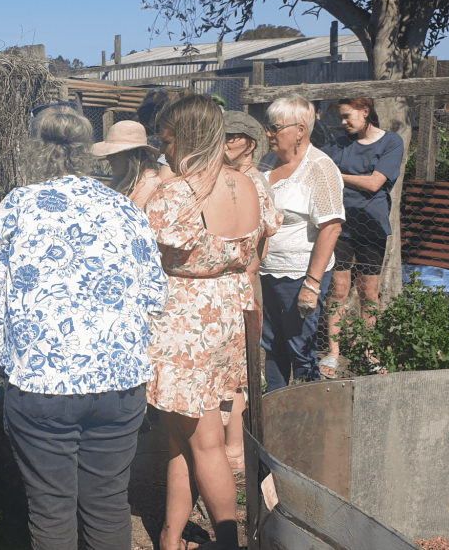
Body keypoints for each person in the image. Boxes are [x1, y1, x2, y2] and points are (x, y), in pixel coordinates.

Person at [0, 105, 169, 550]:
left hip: (42, 385)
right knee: (108, 502)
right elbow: (157, 295)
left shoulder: (18, 206)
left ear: (34, 150)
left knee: (51, 508)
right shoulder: (124, 209)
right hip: (119, 383)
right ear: (89, 153)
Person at [144, 95, 282, 550]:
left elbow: (146, 254)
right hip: (231, 313)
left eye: (167, 141)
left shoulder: (179, 194)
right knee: (182, 438)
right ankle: (172, 534)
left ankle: (228, 540)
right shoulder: (252, 185)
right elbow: (255, 255)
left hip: (187, 326)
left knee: (203, 442)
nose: (164, 152)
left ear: (185, 138)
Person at [258, 95, 345, 391]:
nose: (268, 133)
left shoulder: (320, 168)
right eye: (268, 127)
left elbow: (331, 227)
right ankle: (274, 411)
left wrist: (312, 283)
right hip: (267, 272)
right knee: (272, 345)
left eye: (275, 128)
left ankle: (310, 413)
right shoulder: (268, 163)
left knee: (301, 348)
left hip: (299, 276)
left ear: (299, 130)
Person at [320, 98, 404, 376]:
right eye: (341, 118)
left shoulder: (390, 142)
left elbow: (375, 182)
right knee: (339, 289)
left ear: (365, 112)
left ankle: (370, 350)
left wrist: (336, 175)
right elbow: (316, 162)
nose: (344, 123)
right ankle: (333, 353)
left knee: (369, 291)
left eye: (347, 116)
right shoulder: (339, 144)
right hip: (341, 225)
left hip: (371, 223)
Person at [217, 110, 273, 473]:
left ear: (250, 144)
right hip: (237, 283)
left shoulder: (253, 182)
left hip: (242, 285)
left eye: (231, 137)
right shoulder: (235, 179)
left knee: (237, 370)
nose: (224, 144)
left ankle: (235, 452)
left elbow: (258, 250)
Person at [91, 120, 175, 208]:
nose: (108, 158)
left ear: (132, 156)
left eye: (115, 154)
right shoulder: (124, 178)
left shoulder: (147, 185)